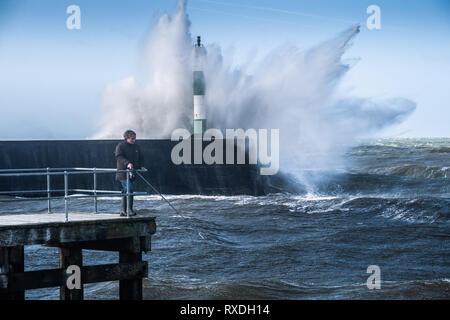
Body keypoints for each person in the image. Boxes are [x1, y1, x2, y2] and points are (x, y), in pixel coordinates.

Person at [115, 130, 147, 216]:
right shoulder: (121, 146)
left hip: (132, 173)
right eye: (132, 138)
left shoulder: (136, 146)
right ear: (126, 138)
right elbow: (119, 157)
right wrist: (127, 163)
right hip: (123, 173)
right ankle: (129, 210)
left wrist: (141, 166)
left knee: (126, 190)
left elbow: (141, 157)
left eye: (135, 138)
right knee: (129, 189)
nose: (134, 140)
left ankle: (123, 211)